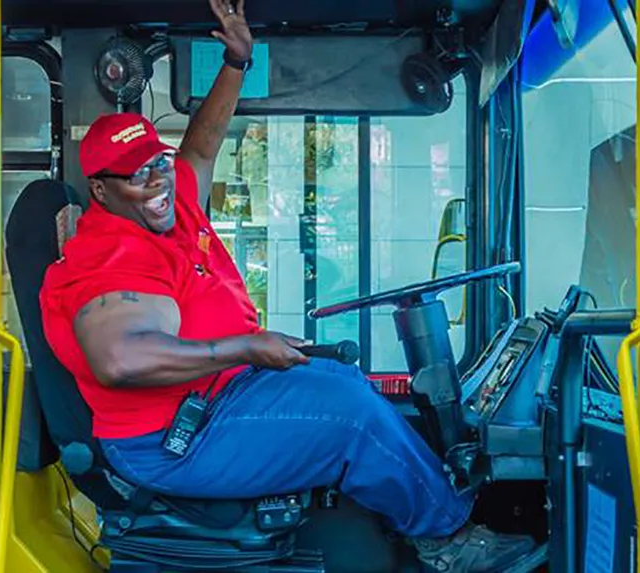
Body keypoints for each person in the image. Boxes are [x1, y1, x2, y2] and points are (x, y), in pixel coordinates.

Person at [39, 1, 536, 570]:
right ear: (100, 192)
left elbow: (200, 146)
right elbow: (120, 360)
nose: (155, 180)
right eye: (135, 175)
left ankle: (428, 507)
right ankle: (448, 543)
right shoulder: (110, 255)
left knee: (339, 380)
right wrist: (248, 347)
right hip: (171, 441)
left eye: (156, 162)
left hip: (214, 398)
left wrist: (235, 61)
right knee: (347, 413)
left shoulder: (167, 196)